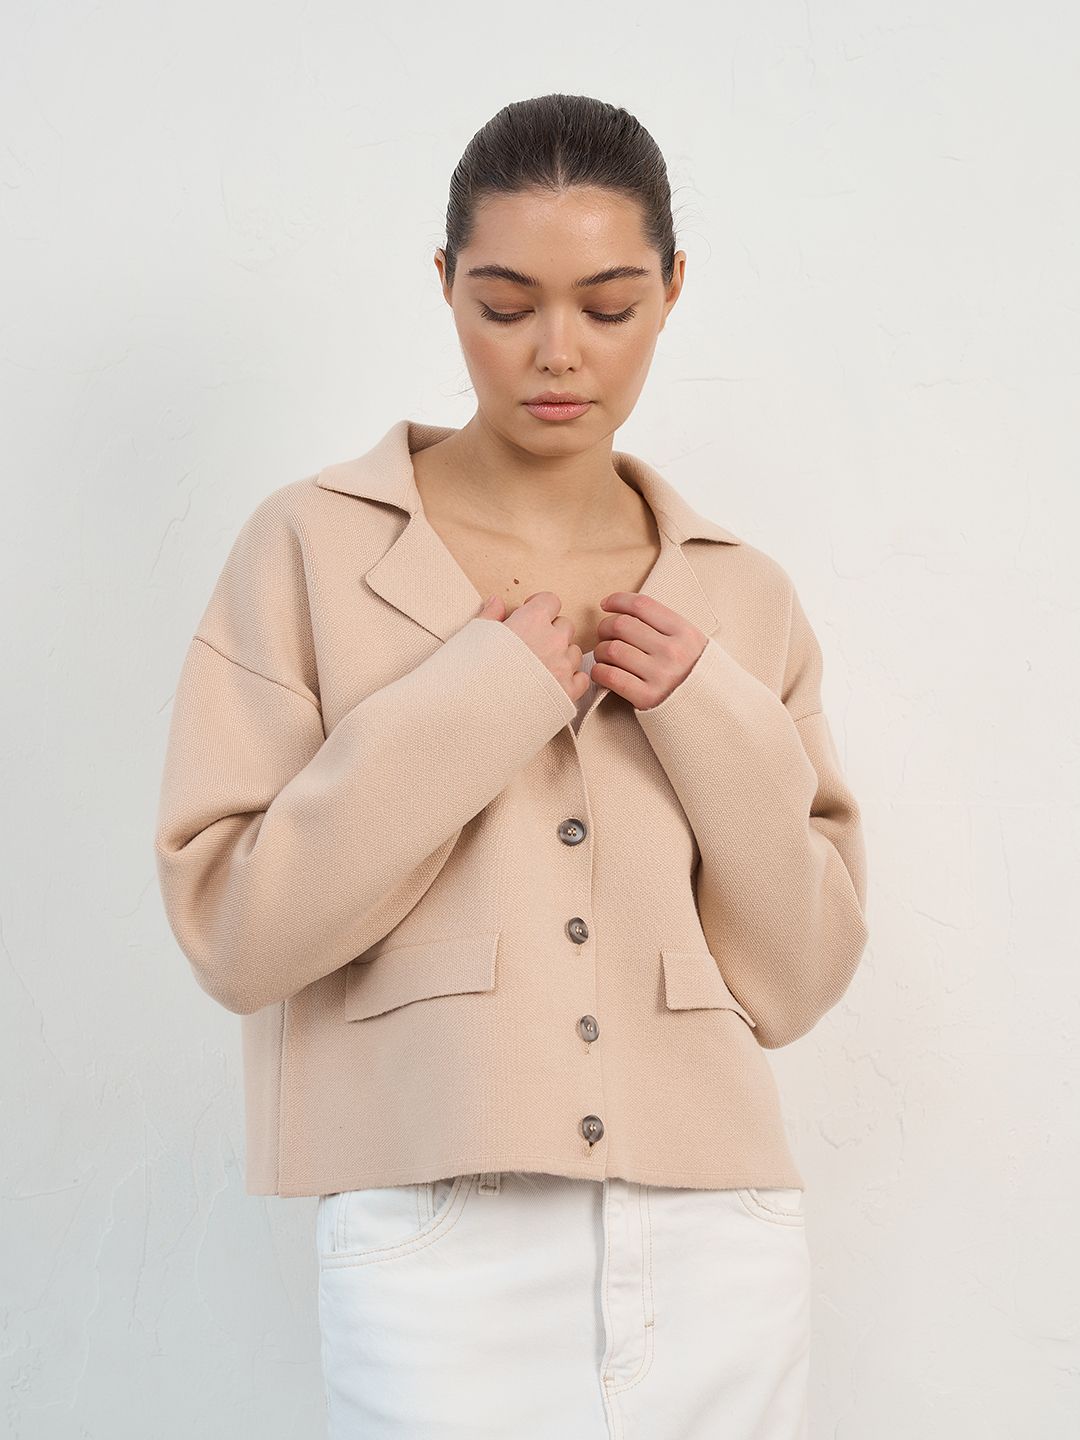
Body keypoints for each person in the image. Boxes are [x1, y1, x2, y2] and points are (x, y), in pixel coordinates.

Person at [155, 92, 869, 1439]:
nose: (558, 352)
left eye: (609, 305)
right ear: (444, 285)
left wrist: (709, 711)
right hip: (437, 1237)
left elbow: (800, 977)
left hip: (718, 1239)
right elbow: (235, 935)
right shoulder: (311, 546)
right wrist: (477, 701)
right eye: (504, 304)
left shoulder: (741, 594)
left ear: (672, 289)